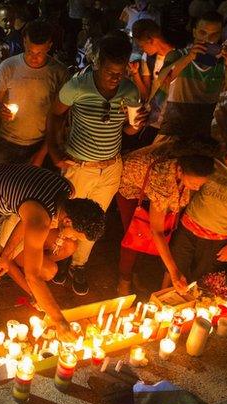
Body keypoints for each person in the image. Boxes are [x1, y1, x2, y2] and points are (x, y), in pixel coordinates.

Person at [46, 33, 144, 296]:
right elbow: (55, 115)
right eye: (110, 71)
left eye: (121, 72)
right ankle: (59, 258)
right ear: (98, 62)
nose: (115, 78)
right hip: (79, 165)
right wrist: (54, 150)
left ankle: (79, 265)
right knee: (66, 216)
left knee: (94, 220)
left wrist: (136, 125)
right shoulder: (77, 86)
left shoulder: (129, 90)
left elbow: (129, 131)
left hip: (111, 166)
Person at [0, 163, 105, 335]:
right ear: (67, 221)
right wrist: (59, 320)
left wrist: (7, 255)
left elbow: (28, 217)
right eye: (75, 234)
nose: (72, 238)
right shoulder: (41, 219)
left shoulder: (67, 190)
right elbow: (33, 277)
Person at [116, 137, 217, 294]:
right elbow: (156, 230)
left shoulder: (187, 156)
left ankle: (136, 272)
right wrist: (174, 272)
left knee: (149, 238)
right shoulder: (162, 179)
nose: (196, 189)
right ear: (180, 171)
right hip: (131, 188)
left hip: (150, 185)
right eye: (194, 184)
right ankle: (124, 279)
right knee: (135, 235)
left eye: (200, 185)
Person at [168, 129, 227, 290]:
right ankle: (159, 300)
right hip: (189, 224)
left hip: (216, 237)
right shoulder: (213, 162)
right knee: (174, 269)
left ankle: (187, 308)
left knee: (200, 278)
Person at [0, 20, 67, 166]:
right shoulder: (8, 67)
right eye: (30, 51)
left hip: (39, 144)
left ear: (49, 46)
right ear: (24, 42)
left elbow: (60, 118)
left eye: (39, 52)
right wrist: (0, 110)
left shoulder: (59, 73)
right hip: (6, 142)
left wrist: (42, 152)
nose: (34, 57)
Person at [156, 10, 227, 139]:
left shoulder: (223, 63)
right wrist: (189, 57)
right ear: (194, 31)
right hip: (172, 131)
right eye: (203, 32)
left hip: (202, 133)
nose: (208, 39)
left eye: (214, 35)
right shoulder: (177, 55)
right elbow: (163, 79)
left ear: (220, 35)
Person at [130, 19, 175, 148]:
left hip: (170, 120)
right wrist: (135, 73)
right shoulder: (147, 59)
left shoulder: (179, 56)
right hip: (152, 118)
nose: (140, 48)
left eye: (141, 45)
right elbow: (146, 93)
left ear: (151, 39)